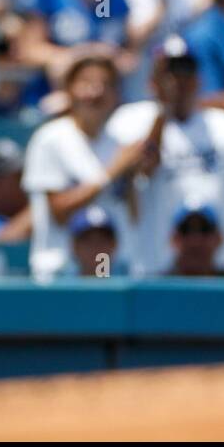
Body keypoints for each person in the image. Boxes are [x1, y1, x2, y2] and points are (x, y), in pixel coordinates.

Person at [107, 36, 224, 275]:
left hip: (217, 268)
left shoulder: (222, 123)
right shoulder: (131, 119)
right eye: (169, 71)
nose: (179, 79)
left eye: (187, 70)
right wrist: (165, 108)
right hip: (154, 267)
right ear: (152, 80)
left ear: (199, 78)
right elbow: (145, 168)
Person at [20, 50, 161, 279]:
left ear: (117, 94)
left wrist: (134, 174)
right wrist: (113, 171)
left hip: (113, 271)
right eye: (86, 83)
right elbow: (59, 211)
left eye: (106, 84)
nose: (96, 92)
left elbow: (133, 215)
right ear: (69, 90)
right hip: (61, 273)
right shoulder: (50, 138)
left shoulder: (120, 140)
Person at [167, 204, 224, 276]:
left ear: (219, 238)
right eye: (185, 229)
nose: (195, 241)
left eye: (204, 229)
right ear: (173, 238)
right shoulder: (156, 284)